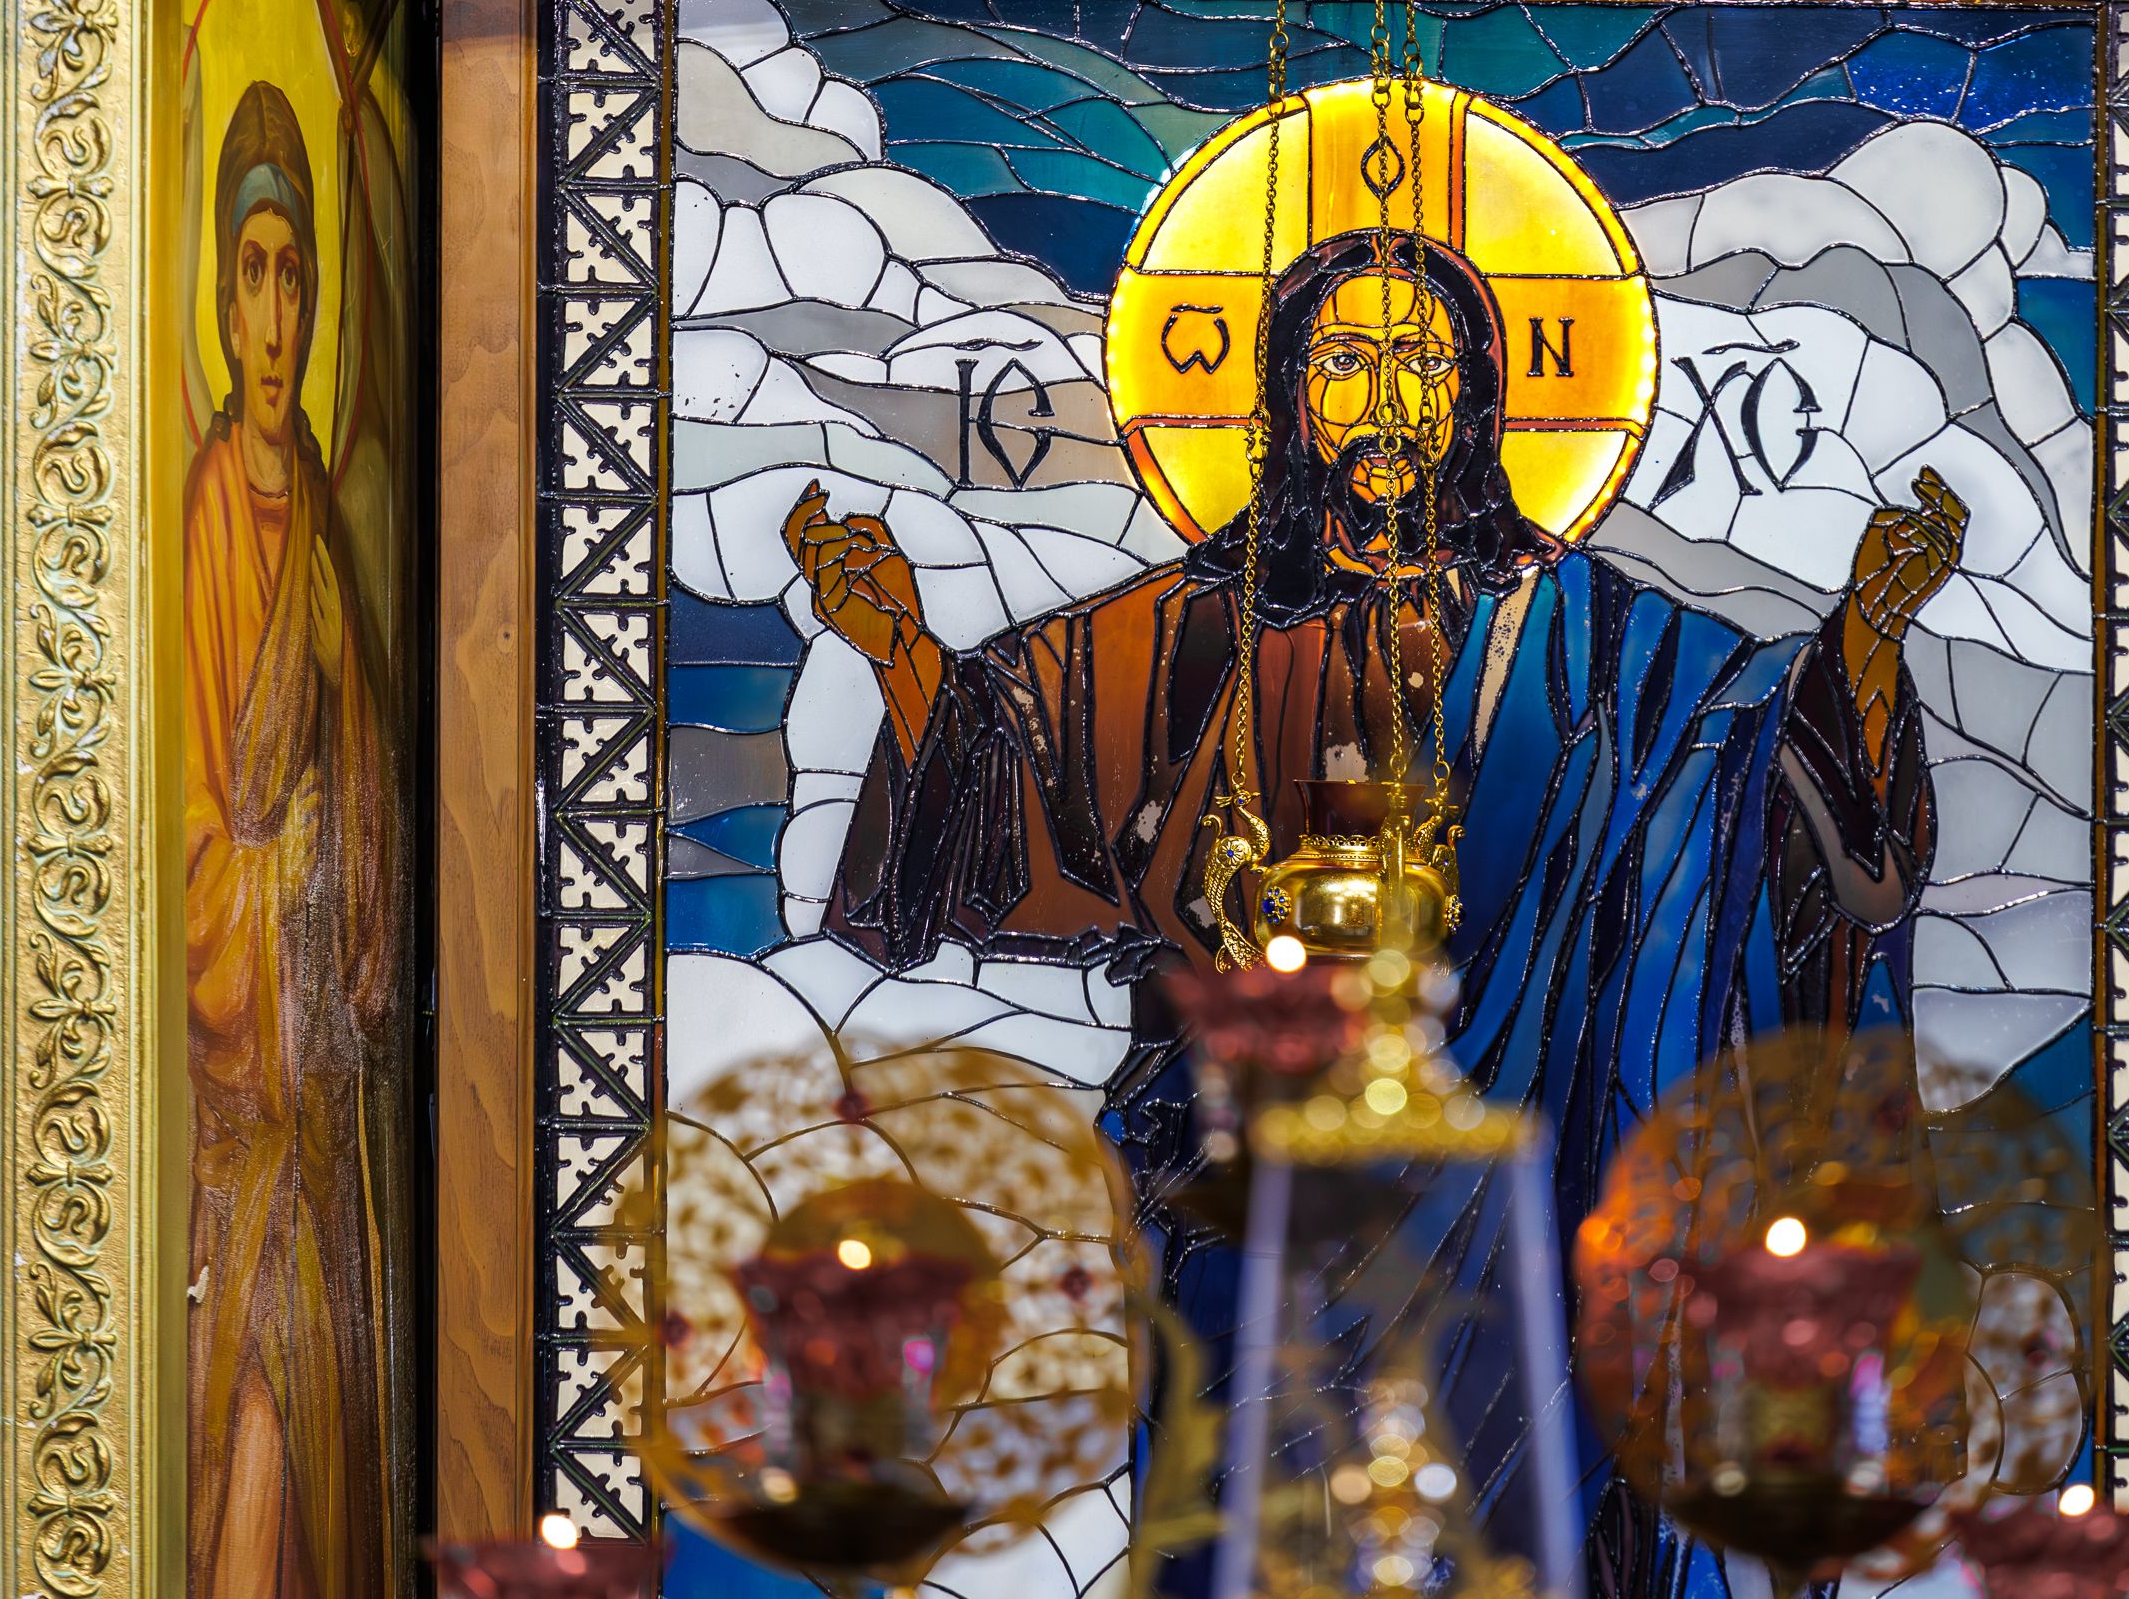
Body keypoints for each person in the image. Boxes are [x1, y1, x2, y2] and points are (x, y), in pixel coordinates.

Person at [794, 227, 1966, 1590]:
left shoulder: (1592, 640)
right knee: (1244, 1528)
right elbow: (1011, 783)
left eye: (1422, 362)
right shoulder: (1191, 630)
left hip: (1531, 1187)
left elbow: (1755, 770)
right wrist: (902, 656)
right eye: (1346, 362)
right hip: (1246, 1176)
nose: (1387, 401)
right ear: (1286, 395)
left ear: (1479, 395)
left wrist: (1863, 649)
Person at [181, 80, 399, 1598]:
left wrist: (353, 853)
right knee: (252, 1380)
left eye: (296, 281)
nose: (273, 321)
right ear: (218, 296)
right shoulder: (210, 504)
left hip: (323, 1067)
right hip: (250, 1067)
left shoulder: (317, 502)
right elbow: (203, 832)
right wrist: (291, 862)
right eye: (250, 275)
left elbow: (366, 772)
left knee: (322, 1397)